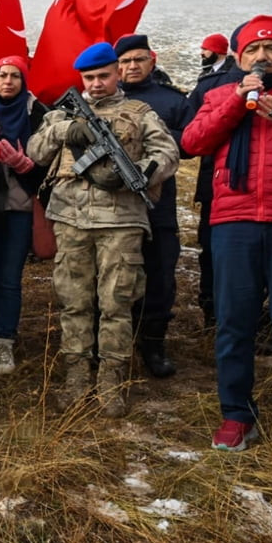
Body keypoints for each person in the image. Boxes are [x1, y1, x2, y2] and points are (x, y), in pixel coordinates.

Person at [26, 42, 179, 418]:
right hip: (72, 219)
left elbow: (168, 153)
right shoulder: (63, 114)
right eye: (89, 78)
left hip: (121, 221)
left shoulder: (140, 113)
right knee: (74, 302)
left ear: (117, 74)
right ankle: (76, 380)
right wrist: (67, 131)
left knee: (116, 304)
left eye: (103, 76)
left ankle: (112, 383)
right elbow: (35, 151)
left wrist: (145, 170)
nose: (96, 84)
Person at [182, 15, 272, 451]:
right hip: (234, 222)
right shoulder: (221, 93)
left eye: (270, 48)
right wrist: (237, 101)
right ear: (238, 57)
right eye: (253, 50)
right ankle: (237, 414)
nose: (262, 56)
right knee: (234, 321)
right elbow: (194, 141)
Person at [114, 33, 189, 378]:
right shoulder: (107, 97)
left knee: (159, 278)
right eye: (125, 62)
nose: (132, 67)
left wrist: (148, 134)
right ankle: (114, 344)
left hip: (158, 206)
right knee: (114, 277)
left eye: (138, 60)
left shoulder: (171, 101)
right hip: (113, 206)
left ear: (152, 60)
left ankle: (153, 344)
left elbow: (191, 140)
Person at [0, 56, 49, 375]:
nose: (7, 81)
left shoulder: (38, 114)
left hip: (20, 207)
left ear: (24, 80)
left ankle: (5, 340)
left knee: (10, 278)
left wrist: (25, 166)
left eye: (15, 76)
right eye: (1, 75)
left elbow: (49, 164)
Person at [185, 31, 244, 327]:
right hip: (218, 183)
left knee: (214, 252)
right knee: (215, 251)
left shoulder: (207, 82)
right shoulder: (211, 85)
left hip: (220, 185)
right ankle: (216, 313)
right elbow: (191, 137)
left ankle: (216, 312)